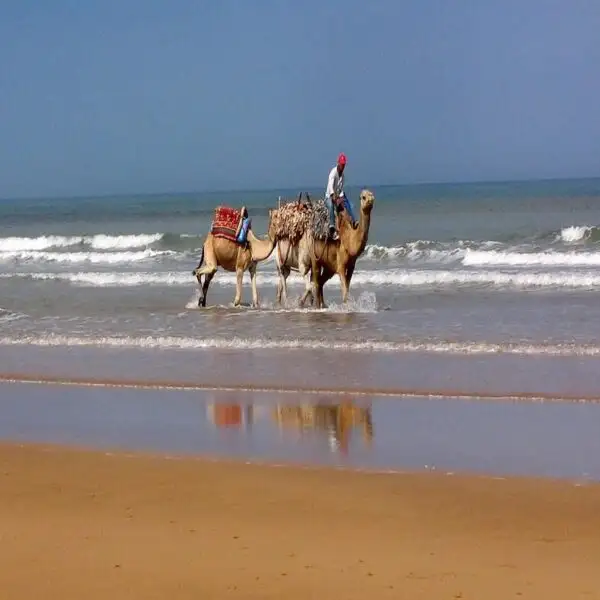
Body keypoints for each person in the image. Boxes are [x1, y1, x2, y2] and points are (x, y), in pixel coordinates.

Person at [325, 153, 357, 239]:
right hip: (329, 196)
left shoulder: (343, 176)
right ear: (338, 163)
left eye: (344, 165)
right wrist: (334, 198)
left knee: (348, 204)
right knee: (331, 206)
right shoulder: (333, 173)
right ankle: (332, 227)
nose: (343, 166)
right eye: (342, 164)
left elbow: (341, 189)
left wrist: (341, 199)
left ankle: (354, 220)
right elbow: (330, 187)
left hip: (338, 195)